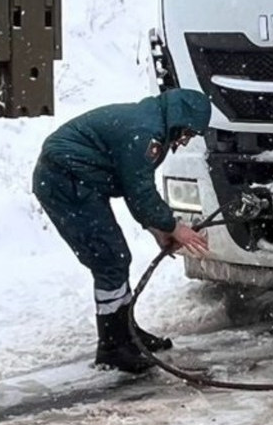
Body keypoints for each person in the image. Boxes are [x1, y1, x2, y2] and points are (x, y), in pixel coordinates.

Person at [33, 89, 214, 372]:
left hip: (81, 181)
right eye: (188, 132)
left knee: (116, 258)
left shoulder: (154, 123)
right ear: (180, 119)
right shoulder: (145, 133)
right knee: (109, 260)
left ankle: (125, 333)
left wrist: (157, 229)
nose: (186, 140)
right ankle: (112, 347)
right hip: (64, 181)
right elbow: (140, 193)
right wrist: (174, 227)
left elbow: (134, 185)